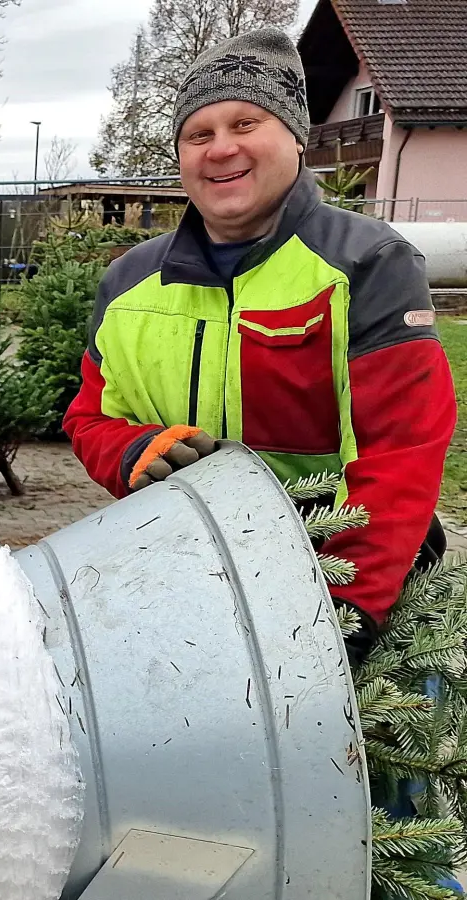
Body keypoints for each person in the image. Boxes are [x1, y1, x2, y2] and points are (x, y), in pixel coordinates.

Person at [63, 29, 456, 665]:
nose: (221, 149)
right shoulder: (129, 282)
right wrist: (133, 449)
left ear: (295, 136)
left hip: (340, 585)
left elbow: (402, 452)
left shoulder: (366, 264)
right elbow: (88, 419)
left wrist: (340, 611)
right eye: (199, 133)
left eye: (245, 122)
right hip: (187, 577)